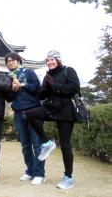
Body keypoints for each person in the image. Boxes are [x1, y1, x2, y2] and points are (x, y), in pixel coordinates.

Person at [24, 50, 80, 189]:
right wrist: (45, 88)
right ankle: (47, 142)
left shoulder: (68, 70)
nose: (49, 62)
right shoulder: (48, 75)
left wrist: (54, 85)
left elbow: (74, 88)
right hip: (50, 107)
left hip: (66, 110)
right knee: (30, 114)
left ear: (58, 60)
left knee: (65, 144)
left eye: (52, 59)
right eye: (47, 60)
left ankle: (68, 177)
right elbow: (41, 95)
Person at [5, 52, 46, 185]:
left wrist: (22, 85)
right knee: (25, 145)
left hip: (33, 111)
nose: (10, 63)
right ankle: (30, 171)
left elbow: (37, 88)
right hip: (18, 114)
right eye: (8, 61)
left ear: (18, 61)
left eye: (12, 60)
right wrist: (13, 89)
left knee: (37, 144)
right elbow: (8, 98)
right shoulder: (8, 77)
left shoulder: (28, 72)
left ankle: (40, 174)